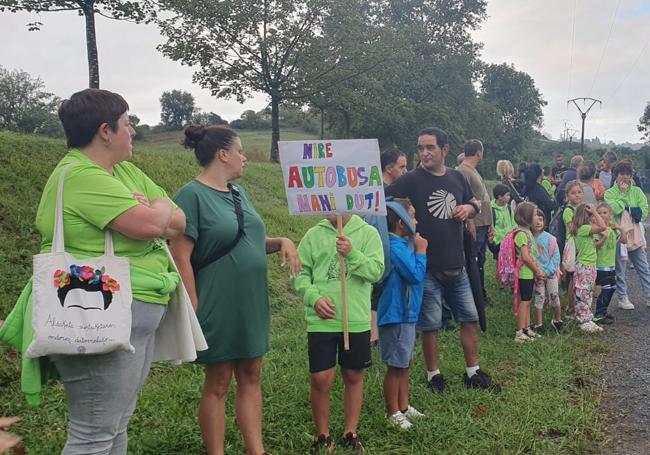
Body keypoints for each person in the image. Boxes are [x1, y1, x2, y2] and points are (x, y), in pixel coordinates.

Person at [2, 88, 188, 454]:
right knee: (94, 431)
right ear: (106, 131)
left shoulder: (126, 171)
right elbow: (152, 225)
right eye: (126, 123)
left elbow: (179, 223)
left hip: (136, 311)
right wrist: (160, 205)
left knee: (115, 424)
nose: (132, 130)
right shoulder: (80, 175)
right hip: (97, 316)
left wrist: (158, 211)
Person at [170, 125, 301, 455]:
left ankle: (255, 450)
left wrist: (282, 240)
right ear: (223, 154)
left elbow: (251, 239)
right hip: (216, 299)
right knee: (218, 380)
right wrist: (192, 306)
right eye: (240, 151)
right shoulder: (191, 196)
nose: (245, 157)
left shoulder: (239, 194)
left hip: (251, 299)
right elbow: (180, 256)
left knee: (252, 373)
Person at [386, 127, 500, 393]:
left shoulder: (457, 177)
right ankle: (433, 375)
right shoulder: (412, 180)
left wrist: (468, 209)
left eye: (430, 148)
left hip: (457, 264)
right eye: (420, 148)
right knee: (431, 324)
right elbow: (382, 196)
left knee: (469, 318)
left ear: (444, 150)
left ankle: (473, 371)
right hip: (426, 266)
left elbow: (476, 203)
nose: (424, 153)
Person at [293, 213, 383, 453]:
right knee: (321, 378)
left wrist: (352, 253)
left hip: (355, 320)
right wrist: (314, 298)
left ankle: (350, 432)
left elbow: (376, 271)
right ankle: (322, 435)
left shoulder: (368, 233)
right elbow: (300, 274)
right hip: (322, 322)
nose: (328, 205)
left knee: (353, 375)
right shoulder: (313, 235)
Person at [377, 199, 427, 430]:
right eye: (413, 216)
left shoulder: (403, 244)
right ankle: (392, 411)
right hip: (396, 313)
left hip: (407, 313)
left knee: (405, 361)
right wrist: (421, 251)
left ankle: (404, 406)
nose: (416, 221)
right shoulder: (395, 247)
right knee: (396, 364)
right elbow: (414, 275)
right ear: (401, 223)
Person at [604, 162, 650, 309]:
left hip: (635, 233)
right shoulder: (609, 193)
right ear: (616, 175)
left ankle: (649, 295)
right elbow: (615, 209)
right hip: (618, 234)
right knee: (621, 268)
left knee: (643, 266)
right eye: (622, 174)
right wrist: (623, 196)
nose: (625, 177)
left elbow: (644, 210)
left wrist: (630, 210)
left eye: (628, 174)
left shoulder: (637, 191)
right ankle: (623, 297)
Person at [457, 139, 493, 304]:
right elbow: (464, 200)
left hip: (483, 223)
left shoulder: (473, 170)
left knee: (481, 260)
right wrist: (470, 223)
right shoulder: (463, 171)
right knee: (473, 260)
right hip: (475, 224)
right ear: (479, 152)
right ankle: (474, 296)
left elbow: (484, 198)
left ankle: (481, 294)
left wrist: (490, 223)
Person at [569, 203, 607, 332]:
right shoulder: (583, 228)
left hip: (588, 265)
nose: (595, 218)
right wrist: (595, 211)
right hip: (585, 266)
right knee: (583, 293)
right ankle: (583, 320)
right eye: (592, 216)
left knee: (587, 292)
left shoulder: (583, 230)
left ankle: (585, 317)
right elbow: (603, 226)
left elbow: (593, 246)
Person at [512, 202, 546, 343]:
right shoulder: (521, 234)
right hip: (524, 274)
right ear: (527, 217)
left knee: (528, 301)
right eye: (534, 215)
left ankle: (526, 328)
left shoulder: (527, 233)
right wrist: (537, 270)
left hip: (529, 273)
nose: (537, 218)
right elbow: (525, 256)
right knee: (524, 302)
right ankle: (519, 332)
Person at [593, 202, 627, 325]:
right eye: (599, 213)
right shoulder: (597, 229)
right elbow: (595, 246)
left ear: (610, 214)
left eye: (605, 213)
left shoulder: (612, 229)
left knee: (612, 288)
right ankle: (598, 314)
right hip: (601, 265)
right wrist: (604, 237)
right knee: (606, 289)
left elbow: (624, 240)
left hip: (611, 264)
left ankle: (603, 311)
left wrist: (620, 228)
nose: (602, 215)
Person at [531, 209, 562, 333]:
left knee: (554, 296)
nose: (538, 222)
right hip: (537, 274)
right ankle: (539, 324)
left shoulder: (550, 238)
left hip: (551, 273)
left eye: (541, 219)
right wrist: (538, 272)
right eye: (535, 220)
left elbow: (556, 257)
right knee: (539, 298)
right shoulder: (529, 238)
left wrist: (547, 271)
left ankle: (557, 320)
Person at [563, 180, 584, 316]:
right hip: (572, 245)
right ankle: (571, 306)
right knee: (571, 277)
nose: (577, 195)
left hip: (581, 245)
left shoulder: (581, 208)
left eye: (579, 192)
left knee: (579, 276)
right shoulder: (568, 210)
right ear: (567, 195)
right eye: (573, 193)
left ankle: (580, 303)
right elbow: (572, 229)